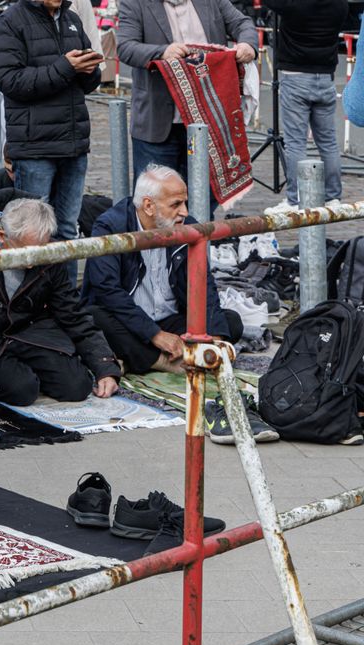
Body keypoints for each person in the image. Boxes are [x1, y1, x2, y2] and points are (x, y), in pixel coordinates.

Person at [0, 193, 120, 406]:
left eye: (39, 252)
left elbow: (72, 312)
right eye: (25, 253)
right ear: (1, 235)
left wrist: (104, 366)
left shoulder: (49, 249)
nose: (33, 263)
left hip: (29, 332)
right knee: (22, 390)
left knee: (77, 386)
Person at [83, 165, 243, 375]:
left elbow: (204, 285)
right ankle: (162, 361)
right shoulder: (111, 227)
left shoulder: (188, 226)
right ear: (148, 206)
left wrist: (214, 340)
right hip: (129, 320)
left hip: (170, 320)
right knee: (95, 318)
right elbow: (107, 291)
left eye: (184, 202)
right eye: (176, 204)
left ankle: (136, 359)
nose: (184, 211)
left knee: (230, 322)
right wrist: (155, 335)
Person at [0, 0, 102, 286]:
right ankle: (26, 304)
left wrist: (90, 71)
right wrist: (66, 67)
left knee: (67, 231)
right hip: (34, 148)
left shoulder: (72, 20)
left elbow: (86, 85)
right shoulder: (10, 22)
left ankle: (64, 301)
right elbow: (11, 81)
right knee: (29, 234)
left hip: (74, 144)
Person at [116, 0, 256, 180]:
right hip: (158, 123)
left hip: (208, 122)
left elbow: (242, 23)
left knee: (205, 196)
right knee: (156, 198)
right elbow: (126, 47)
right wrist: (162, 52)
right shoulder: (135, 3)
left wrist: (248, 44)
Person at [262, 0, 349, 213]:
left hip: (296, 78)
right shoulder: (341, 5)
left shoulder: (294, 4)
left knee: (295, 144)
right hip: (325, 79)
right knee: (328, 143)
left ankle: (295, 199)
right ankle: (332, 198)